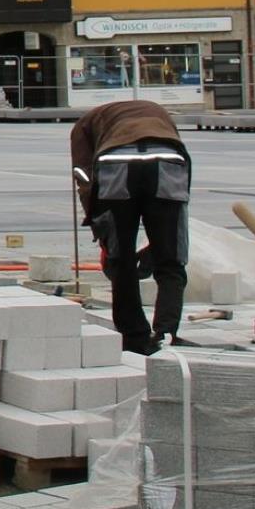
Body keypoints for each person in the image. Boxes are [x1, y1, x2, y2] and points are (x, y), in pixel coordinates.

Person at [70, 100, 192, 354]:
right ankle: (166, 333)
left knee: (121, 260)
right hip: (169, 160)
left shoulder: (83, 125)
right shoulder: (158, 112)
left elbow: (83, 176)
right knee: (171, 259)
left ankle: (134, 338)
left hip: (117, 164)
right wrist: (159, 246)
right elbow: (177, 199)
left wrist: (101, 227)